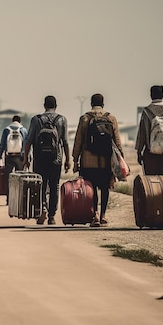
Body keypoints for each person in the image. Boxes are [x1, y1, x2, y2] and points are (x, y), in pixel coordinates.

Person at [72, 93, 123, 227]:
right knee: (105, 188)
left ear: (91, 103)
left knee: (91, 188)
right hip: (107, 160)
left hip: (89, 161)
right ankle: (103, 215)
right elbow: (117, 140)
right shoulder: (111, 118)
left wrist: (75, 160)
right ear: (103, 103)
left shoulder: (85, 118)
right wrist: (120, 158)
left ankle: (94, 214)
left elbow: (78, 141)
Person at [23, 95, 71, 225]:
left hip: (39, 158)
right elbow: (65, 142)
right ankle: (51, 216)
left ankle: (42, 209)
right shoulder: (62, 120)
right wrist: (68, 160)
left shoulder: (36, 119)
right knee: (54, 186)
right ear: (56, 106)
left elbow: (28, 140)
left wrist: (26, 158)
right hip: (56, 159)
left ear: (44, 105)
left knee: (40, 186)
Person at [0, 115, 28, 204]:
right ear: (20, 121)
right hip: (20, 157)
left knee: (8, 178)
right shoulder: (23, 130)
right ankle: (19, 199)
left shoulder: (6, 130)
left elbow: (2, 145)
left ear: (12, 121)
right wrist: (27, 158)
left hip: (9, 156)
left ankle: (8, 199)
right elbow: (26, 144)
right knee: (20, 178)